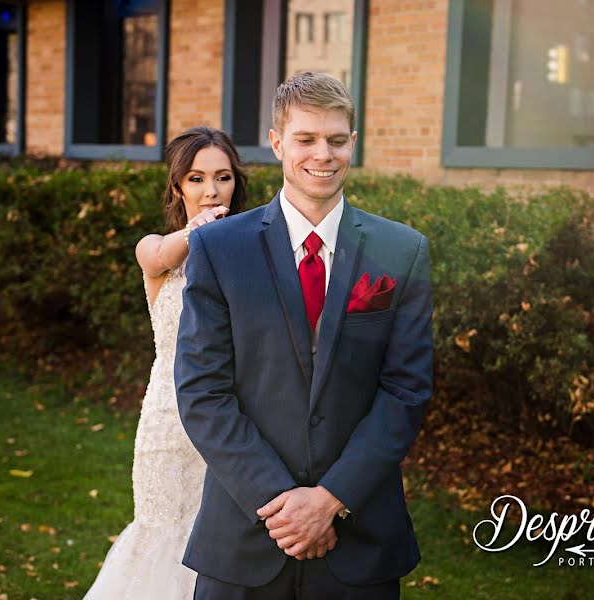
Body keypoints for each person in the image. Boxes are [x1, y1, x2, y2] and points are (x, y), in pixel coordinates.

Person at [175, 72, 433, 599]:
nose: (324, 154)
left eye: (337, 140)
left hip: (359, 538)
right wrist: (282, 504)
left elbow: (406, 390)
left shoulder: (401, 250)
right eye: (306, 139)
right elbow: (203, 391)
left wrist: (331, 498)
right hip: (245, 536)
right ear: (276, 143)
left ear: (352, 144)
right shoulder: (220, 249)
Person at [84, 126, 247, 599]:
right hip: (168, 424)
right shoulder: (156, 248)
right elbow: (157, 255)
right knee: (164, 534)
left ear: (236, 182)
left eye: (222, 178)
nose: (211, 191)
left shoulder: (249, 251)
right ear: (178, 186)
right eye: (196, 179)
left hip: (234, 420)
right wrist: (199, 231)